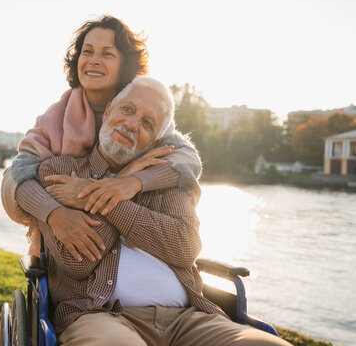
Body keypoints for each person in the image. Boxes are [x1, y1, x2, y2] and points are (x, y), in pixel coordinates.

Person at [36, 76, 291, 346]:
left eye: (147, 123)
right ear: (109, 110)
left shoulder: (166, 180)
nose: (132, 124)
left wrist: (112, 191)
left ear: (156, 140)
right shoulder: (59, 172)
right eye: (128, 109)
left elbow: (185, 247)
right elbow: (78, 263)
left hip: (188, 319)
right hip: (99, 315)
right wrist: (117, 184)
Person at [1, 15, 202, 259]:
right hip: (71, 247)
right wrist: (54, 214)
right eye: (87, 52)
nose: (94, 61)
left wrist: (132, 181)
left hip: (132, 241)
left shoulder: (140, 113)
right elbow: (15, 178)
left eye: (107, 54)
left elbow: (188, 161)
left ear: (124, 65)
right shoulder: (53, 119)